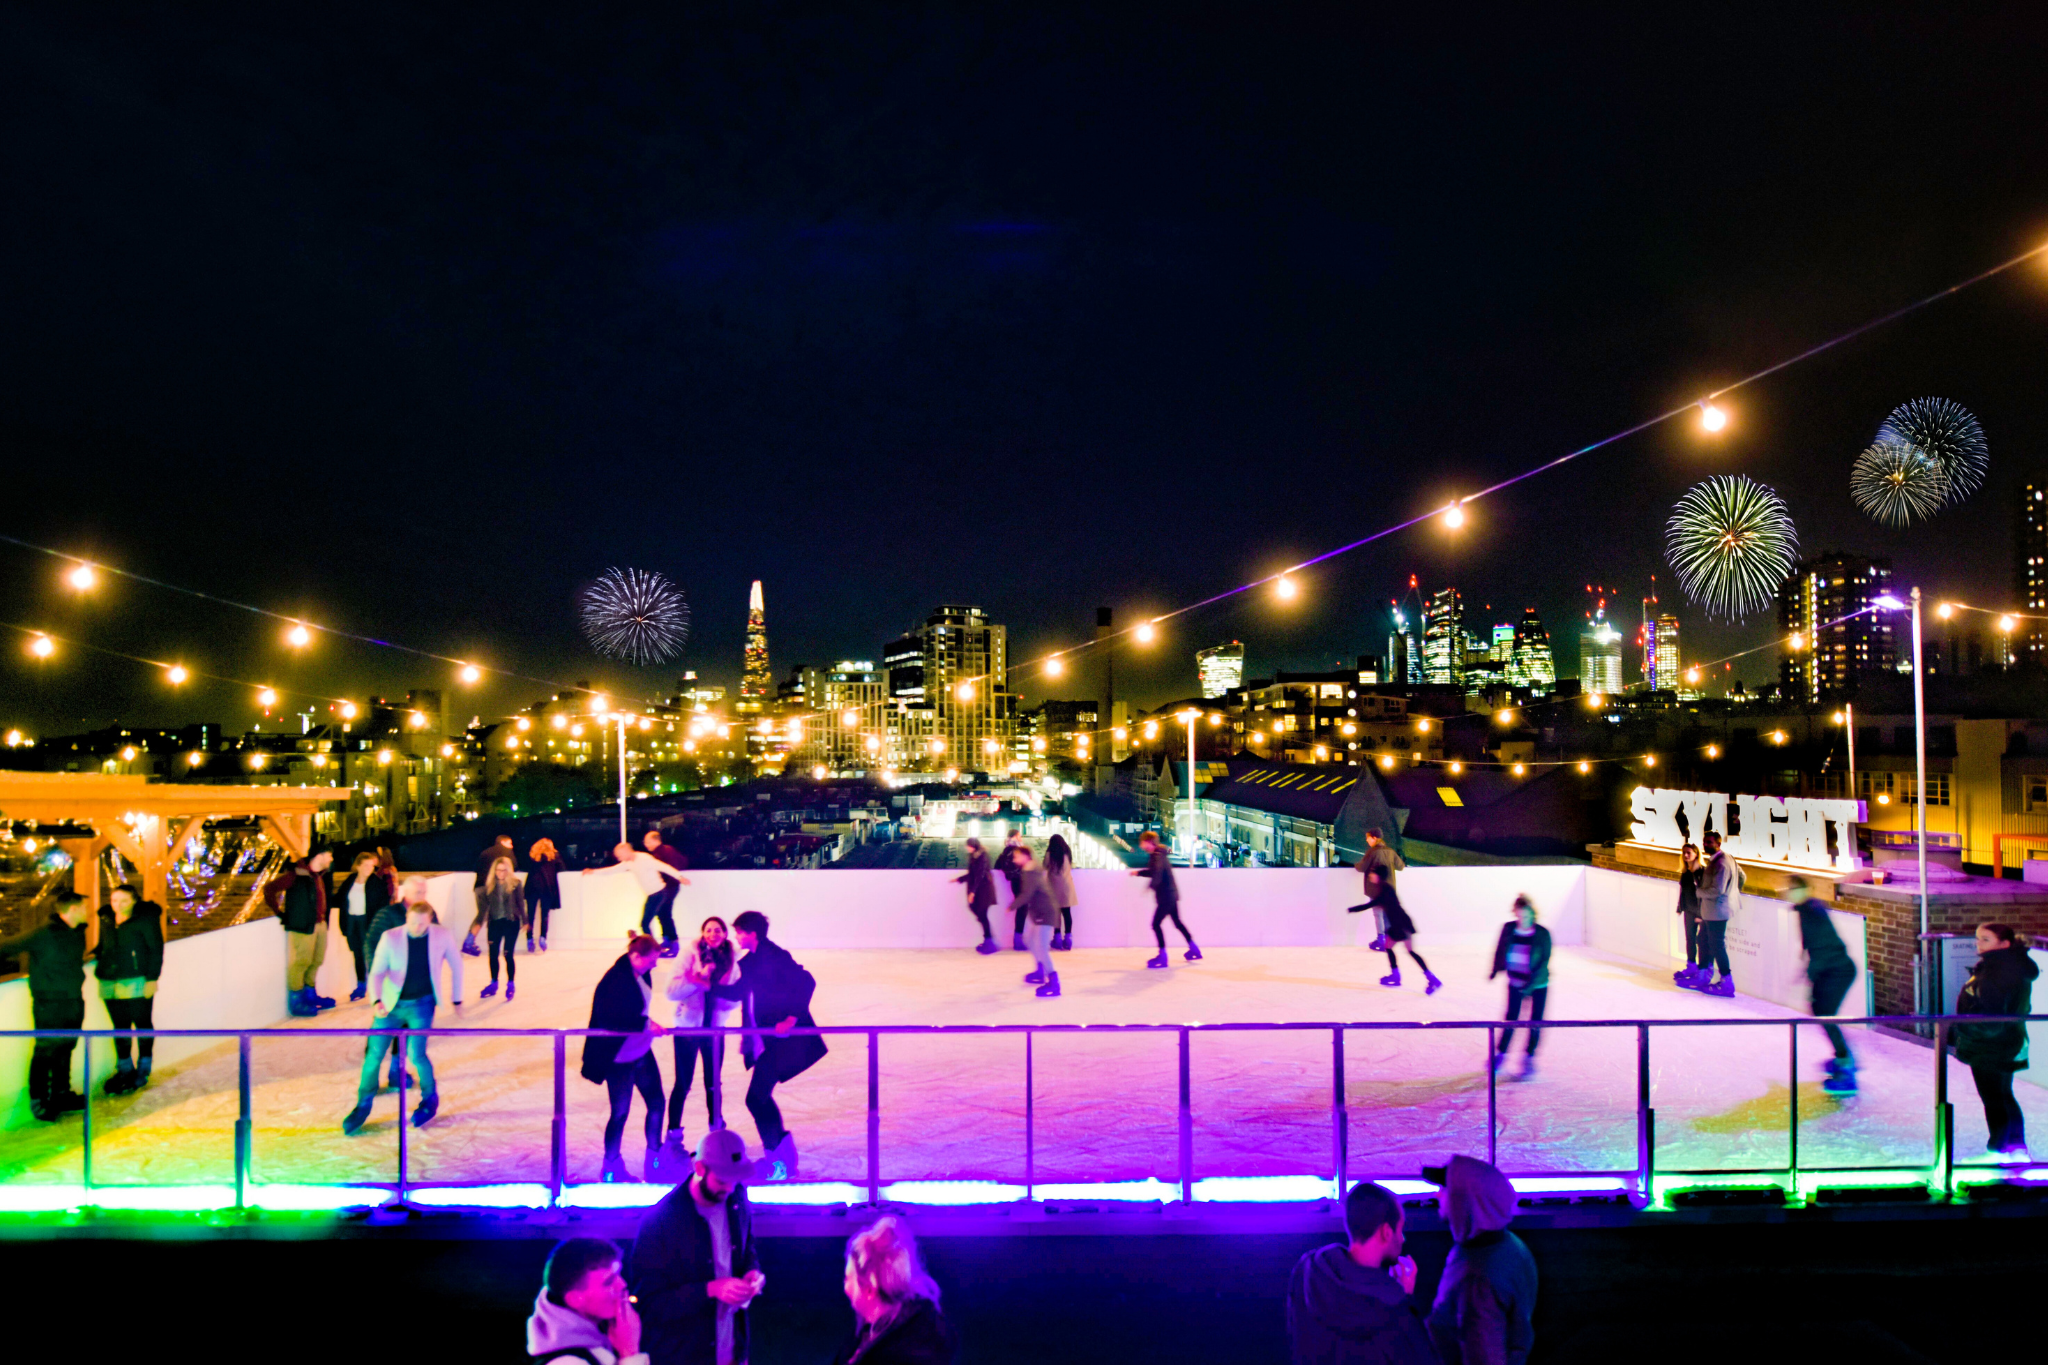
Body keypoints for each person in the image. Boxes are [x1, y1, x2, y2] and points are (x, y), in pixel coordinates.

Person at [628, 1127, 766, 1365]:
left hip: (734, 1352)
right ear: (700, 1168)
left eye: (735, 1181)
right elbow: (648, 1306)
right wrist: (710, 1290)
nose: (730, 1189)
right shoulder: (659, 1222)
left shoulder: (736, 1198)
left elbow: (747, 1247)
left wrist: (752, 1272)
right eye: (723, 1181)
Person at [342, 882, 463, 1134]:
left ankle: (430, 1098)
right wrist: (376, 1001)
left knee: (417, 1055)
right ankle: (363, 1104)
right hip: (390, 1005)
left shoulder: (442, 935)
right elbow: (376, 972)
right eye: (412, 922)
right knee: (374, 1055)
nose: (416, 928)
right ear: (406, 918)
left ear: (430, 920)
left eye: (422, 923)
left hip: (422, 1005)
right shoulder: (391, 937)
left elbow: (457, 964)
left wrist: (457, 998)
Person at [1285, 1180, 1435, 1365]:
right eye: (1400, 1229)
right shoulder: (1396, 1310)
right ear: (1386, 1232)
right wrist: (1405, 1297)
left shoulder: (1306, 1273)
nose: (1402, 1238)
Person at [731, 909, 827, 1179]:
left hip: (781, 1040)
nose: (736, 936)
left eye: (739, 931)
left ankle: (779, 1160)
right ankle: (781, 1156)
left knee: (756, 1097)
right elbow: (738, 992)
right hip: (766, 1039)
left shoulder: (775, 956)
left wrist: (792, 1017)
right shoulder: (750, 961)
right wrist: (706, 984)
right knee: (758, 1098)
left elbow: (807, 981)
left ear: (752, 933)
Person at [1423, 1155, 1537, 1365]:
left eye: (1446, 1189)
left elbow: (1484, 1358)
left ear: (1466, 1201)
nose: (1437, 1195)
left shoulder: (1478, 1281)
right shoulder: (1506, 1245)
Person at [584, 933, 670, 1183]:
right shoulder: (614, 981)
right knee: (620, 1113)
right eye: (651, 960)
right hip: (619, 1057)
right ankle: (611, 1167)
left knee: (656, 1103)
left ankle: (654, 1161)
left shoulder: (641, 973)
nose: (655, 965)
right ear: (635, 957)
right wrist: (645, 1023)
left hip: (641, 1050)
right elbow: (610, 1018)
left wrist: (645, 1025)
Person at [1, 889, 93, 1120]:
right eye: (83, 907)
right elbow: (6, 947)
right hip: (49, 1003)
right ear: (73, 909)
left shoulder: (78, 933)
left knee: (66, 1047)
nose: (87, 911)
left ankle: (61, 1093)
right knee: (46, 1049)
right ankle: (39, 1100)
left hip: (73, 999)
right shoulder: (42, 934)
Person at [1953, 922, 2038, 1160]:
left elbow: (1991, 1018)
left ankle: (1999, 1148)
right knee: (2003, 1094)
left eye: (1985, 939)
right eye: (1978, 938)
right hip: (2007, 1041)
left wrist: (1964, 1030)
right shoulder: (2008, 967)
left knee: (1994, 1098)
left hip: (1990, 1046)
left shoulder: (1997, 971)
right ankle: (2015, 1146)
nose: (1978, 944)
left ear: (2004, 944)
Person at [663, 916, 743, 1165]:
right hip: (687, 1029)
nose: (713, 934)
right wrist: (695, 980)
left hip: (715, 1029)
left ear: (724, 934)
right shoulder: (689, 954)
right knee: (682, 1084)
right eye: (708, 930)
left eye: (718, 930)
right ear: (703, 933)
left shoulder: (733, 960)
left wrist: (720, 1000)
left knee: (713, 1084)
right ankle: (673, 1138)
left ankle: (716, 1134)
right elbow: (670, 991)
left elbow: (737, 995)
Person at [832, 1215, 957, 1365]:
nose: (845, 1288)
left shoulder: (901, 1353)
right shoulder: (885, 1329)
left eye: (848, 1279)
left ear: (870, 1290)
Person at [1784, 876, 1859, 1096]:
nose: (1790, 892)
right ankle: (1843, 1056)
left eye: (1794, 889)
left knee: (1824, 1014)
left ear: (1804, 889)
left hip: (1838, 970)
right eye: (1789, 889)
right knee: (1821, 1013)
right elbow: (1814, 949)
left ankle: (1845, 1064)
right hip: (1832, 969)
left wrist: (1810, 977)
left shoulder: (1811, 911)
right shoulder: (1805, 910)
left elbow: (1822, 947)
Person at [527, 1237, 647, 1365]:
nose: (622, 1284)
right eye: (609, 1282)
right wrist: (629, 1352)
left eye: (619, 1275)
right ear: (575, 1299)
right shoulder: (566, 1362)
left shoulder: (596, 1346)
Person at [96, 883, 165, 1095]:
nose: (118, 905)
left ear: (134, 900)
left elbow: (156, 949)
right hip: (108, 979)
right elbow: (104, 944)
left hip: (137, 979)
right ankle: (124, 1068)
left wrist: (152, 978)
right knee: (119, 1025)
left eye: (124, 900)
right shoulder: (106, 918)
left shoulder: (146, 920)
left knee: (142, 1022)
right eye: (115, 900)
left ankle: (144, 1067)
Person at [585, 841, 692, 961]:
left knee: (646, 923)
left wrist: (679, 877)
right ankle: (663, 944)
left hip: (659, 893)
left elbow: (663, 867)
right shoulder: (628, 863)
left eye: (619, 855)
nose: (618, 858)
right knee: (661, 917)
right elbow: (612, 870)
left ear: (626, 850)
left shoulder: (644, 858)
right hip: (654, 894)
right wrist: (593, 872)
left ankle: (655, 949)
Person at [263, 848, 335, 1016]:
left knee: (316, 960)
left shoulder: (319, 876)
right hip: (303, 926)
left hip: (320, 924)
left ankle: (310, 995)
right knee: (302, 961)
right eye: (329, 854)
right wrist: (281, 913)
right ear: (319, 856)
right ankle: (296, 1001)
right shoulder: (295, 875)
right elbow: (269, 889)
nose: (331, 858)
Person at [1489, 895, 1550, 1080]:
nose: (1522, 920)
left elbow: (1543, 961)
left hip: (1538, 984)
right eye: (1519, 915)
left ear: (1532, 913)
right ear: (1515, 912)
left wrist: (1529, 987)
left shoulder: (1542, 933)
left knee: (1535, 1021)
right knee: (1510, 1018)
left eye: (1526, 916)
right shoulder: (1508, 928)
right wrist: (1494, 969)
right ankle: (1501, 1054)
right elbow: (1500, 949)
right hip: (1515, 981)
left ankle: (1529, 1057)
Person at [1361, 867, 1441, 994]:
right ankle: (1428, 978)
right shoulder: (1384, 888)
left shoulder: (1385, 890)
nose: (1370, 875)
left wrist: (1351, 910)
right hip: (1402, 922)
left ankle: (1402, 976)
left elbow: (1371, 904)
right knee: (1397, 948)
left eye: (1373, 873)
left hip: (1400, 924)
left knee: (1402, 949)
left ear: (1379, 876)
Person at [1132, 830, 1199, 969]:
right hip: (1172, 895)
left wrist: (1150, 886)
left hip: (1166, 897)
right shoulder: (1159, 854)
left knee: (1155, 924)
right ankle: (1194, 948)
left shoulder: (1157, 856)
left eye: (1143, 843)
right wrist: (1138, 873)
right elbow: (1153, 871)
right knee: (1177, 922)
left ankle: (1162, 956)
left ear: (1149, 842)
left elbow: (1157, 873)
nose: (1141, 846)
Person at [1690, 830, 1741, 998]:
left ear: (1718, 844)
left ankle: (1727, 982)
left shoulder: (1721, 863)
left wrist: (1698, 892)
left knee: (1717, 946)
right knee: (1703, 940)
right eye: (1704, 842)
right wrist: (1733, 891)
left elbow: (1717, 890)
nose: (1705, 845)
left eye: (1709, 842)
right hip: (1714, 911)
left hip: (1716, 912)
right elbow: (1742, 876)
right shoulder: (1726, 858)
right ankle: (1704, 974)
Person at [338, 851, 394, 1003]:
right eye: (366, 865)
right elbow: (340, 900)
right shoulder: (350, 880)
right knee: (358, 955)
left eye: (372, 865)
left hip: (368, 923)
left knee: (373, 955)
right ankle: (361, 986)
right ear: (358, 866)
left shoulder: (376, 883)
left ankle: (382, 987)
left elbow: (384, 904)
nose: (370, 868)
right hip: (352, 923)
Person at [1012, 846, 1062, 998]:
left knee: (1041, 947)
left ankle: (1054, 982)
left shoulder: (1031, 871)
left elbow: (1027, 894)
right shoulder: (1030, 869)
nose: (1014, 860)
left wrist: (1012, 906)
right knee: (1030, 940)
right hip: (1037, 912)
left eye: (1016, 856)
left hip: (1044, 913)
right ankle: (1040, 971)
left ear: (1025, 856)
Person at [478, 854, 526, 1000]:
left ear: (509, 870)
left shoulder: (516, 884)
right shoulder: (489, 885)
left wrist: (525, 921)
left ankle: (511, 983)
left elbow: (520, 903)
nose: (501, 873)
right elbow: (484, 909)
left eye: (504, 870)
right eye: (498, 870)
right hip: (495, 923)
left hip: (511, 922)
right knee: (492, 954)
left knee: (507, 954)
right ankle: (494, 982)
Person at [1353, 829, 1406, 954]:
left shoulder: (1372, 852)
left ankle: (1381, 939)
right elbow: (1401, 866)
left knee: (1378, 914)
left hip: (1376, 889)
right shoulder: (1391, 852)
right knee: (1387, 914)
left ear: (1375, 838)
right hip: (1389, 889)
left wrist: (1355, 865)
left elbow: (1362, 867)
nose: (1367, 840)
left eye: (1368, 837)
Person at [468, 834, 518, 956]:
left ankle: (469, 941)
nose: (511, 846)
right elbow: (514, 867)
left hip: (479, 887)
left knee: (482, 914)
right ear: (504, 842)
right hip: (493, 888)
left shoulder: (485, 852)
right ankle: (493, 944)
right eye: (510, 843)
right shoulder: (507, 852)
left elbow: (476, 868)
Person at [643, 828, 691, 956]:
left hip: (668, 887)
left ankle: (673, 943)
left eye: (647, 842)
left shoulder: (660, 854)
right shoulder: (669, 849)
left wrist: (665, 883)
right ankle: (668, 940)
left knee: (664, 914)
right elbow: (682, 861)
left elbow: (667, 869)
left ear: (655, 840)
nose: (645, 844)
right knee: (662, 913)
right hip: (671, 886)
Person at [955, 838, 999, 955]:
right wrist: (959, 879)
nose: (967, 848)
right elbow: (972, 874)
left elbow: (979, 875)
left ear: (974, 846)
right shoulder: (974, 856)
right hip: (980, 890)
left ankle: (989, 943)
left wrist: (972, 892)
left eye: (969, 846)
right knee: (979, 913)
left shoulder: (982, 857)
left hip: (984, 891)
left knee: (982, 915)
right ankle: (989, 941)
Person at [1672, 842, 1705, 987]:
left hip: (1701, 912)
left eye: (1689, 852)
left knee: (1702, 941)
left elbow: (1704, 895)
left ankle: (1703, 970)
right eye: (1684, 852)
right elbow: (1683, 891)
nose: (1686, 855)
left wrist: (1700, 914)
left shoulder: (1702, 873)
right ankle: (1691, 966)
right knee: (1690, 939)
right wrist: (1680, 906)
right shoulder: (1685, 873)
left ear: (1696, 853)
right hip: (1689, 911)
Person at [528, 837, 565, 952]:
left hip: (532, 885)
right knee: (544, 914)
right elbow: (562, 868)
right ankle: (543, 937)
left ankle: (529, 939)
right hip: (547, 886)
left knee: (530, 914)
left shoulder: (533, 856)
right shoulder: (554, 856)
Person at [995, 832, 1028, 950]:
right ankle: (1018, 940)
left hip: (1015, 882)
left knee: (1022, 907)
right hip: (1021, 881)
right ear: (1014, 837)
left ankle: (1018, 939)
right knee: (1023, 908)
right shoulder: (1017, 850)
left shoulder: (1006, 850)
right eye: (1019, 835)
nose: (1021, 838)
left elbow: (997, 865)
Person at [1044, 833, 1077, 952]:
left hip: (1054, 887)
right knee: (1067, 913)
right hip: (1067, 887)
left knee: (1056, 914)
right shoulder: (1067, 852)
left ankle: (1057, 939)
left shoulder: (1050, 853)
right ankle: (1068, 939)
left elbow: (1044, 865)